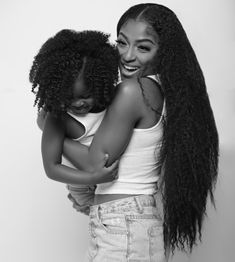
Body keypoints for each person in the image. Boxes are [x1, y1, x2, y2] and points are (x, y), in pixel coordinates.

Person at [62, 3, 219, 262]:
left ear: (163, 52)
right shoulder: (164, 90)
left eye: (143, 47)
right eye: (122, 43)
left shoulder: (133, 91)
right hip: (128, 221)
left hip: (123, 223)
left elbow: (94, 164)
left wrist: (51, 129)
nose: (127, 55)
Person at [29, 29, 120, 215]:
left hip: (113, 178)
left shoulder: (113, 101)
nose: (78, 104)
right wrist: (92, 177)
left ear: (99, 85)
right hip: (82, 186)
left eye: (85, 96)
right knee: (102, 218)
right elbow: (51, 167)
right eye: (68, 98)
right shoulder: (58, 117)